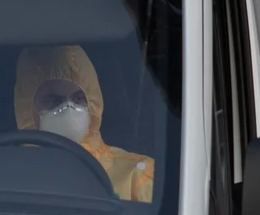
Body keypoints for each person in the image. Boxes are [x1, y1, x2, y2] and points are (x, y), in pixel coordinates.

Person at [13, 45, 155, 202]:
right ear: (26, 109)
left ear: (93, 102)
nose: (68, 108)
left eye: (79, 98)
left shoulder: (137, 175)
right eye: (54, 101)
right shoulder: (9, 179)